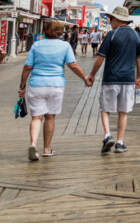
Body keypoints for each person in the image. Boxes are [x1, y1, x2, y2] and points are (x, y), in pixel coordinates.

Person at [18, 19, 89, 161]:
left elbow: (27, 67)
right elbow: (73, 65)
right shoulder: (65, 46)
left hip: (36, 85)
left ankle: (33, 144)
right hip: (56, 85)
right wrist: (85, 79)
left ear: (44, 30)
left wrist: (22, 86)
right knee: (50, 117)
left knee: (36, 117)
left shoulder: (36, 45)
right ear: (60, 32)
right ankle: (46, 149)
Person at [87, 7, 140, 155]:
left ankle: (107, 135)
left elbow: (100, 57)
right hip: (128, 80)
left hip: (111, 78)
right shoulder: (136, 35)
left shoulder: (112, 35)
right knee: (123, 112)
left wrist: (92, 74)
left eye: (111, 19)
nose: (110, 21)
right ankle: (119, 142)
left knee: (105, 109)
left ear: (118, 20)